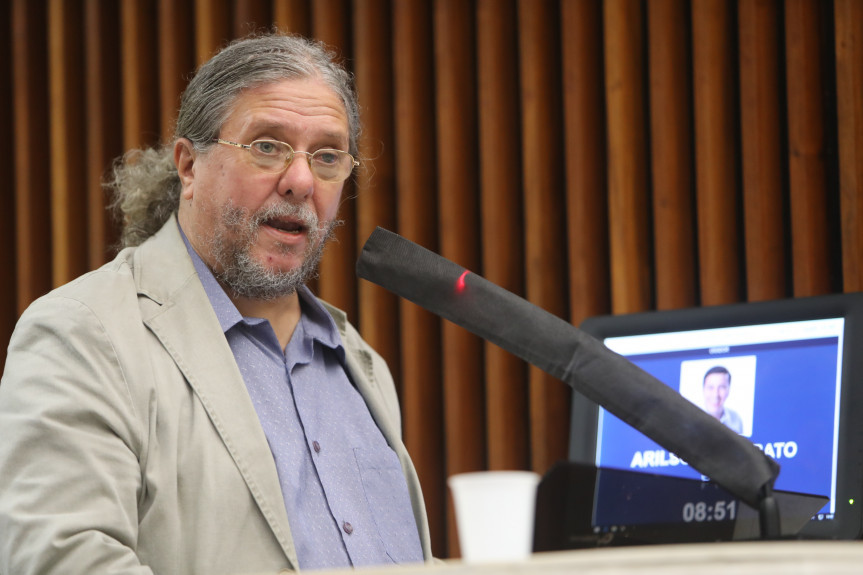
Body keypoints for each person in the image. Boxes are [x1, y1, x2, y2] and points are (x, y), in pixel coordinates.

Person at [0, 33, 432, 574]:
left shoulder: (361, 365)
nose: (301, 181)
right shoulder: (84, 335)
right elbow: (62, 563)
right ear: (188, 166)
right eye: (267, 146)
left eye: (326, 156)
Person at [701, 365, 744, 434]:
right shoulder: (689, 418)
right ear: (703, 389)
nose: (716, 395)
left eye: (722, 387)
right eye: (710, 387)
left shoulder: (736, 420)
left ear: (728, 390)